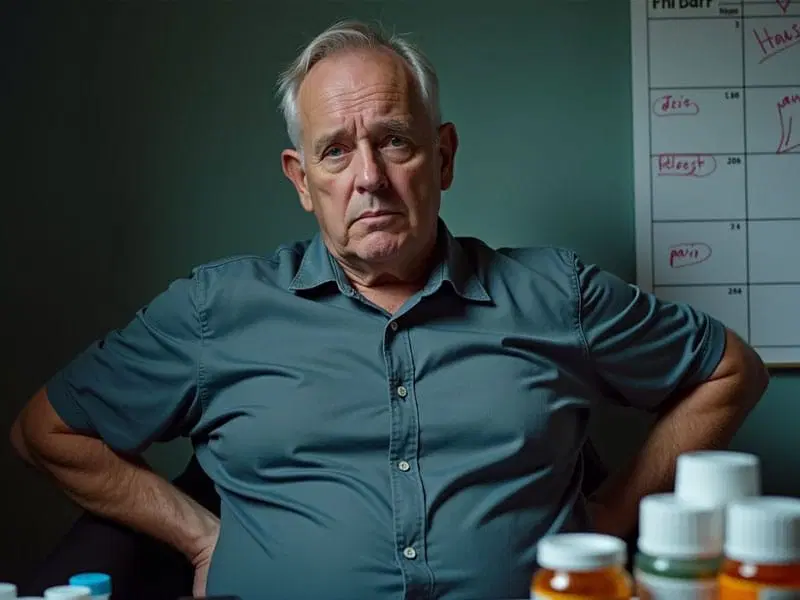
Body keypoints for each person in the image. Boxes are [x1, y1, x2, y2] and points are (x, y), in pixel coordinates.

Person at [10, 18, 768, 600]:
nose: (368, 177)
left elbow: (730, 370)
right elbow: (48, 429)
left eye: (394, 141)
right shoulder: (217, 309)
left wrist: (608, 518)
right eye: (335, 152)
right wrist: (201, 538)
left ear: (443, 156)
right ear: (301, 180)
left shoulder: (554, 294)